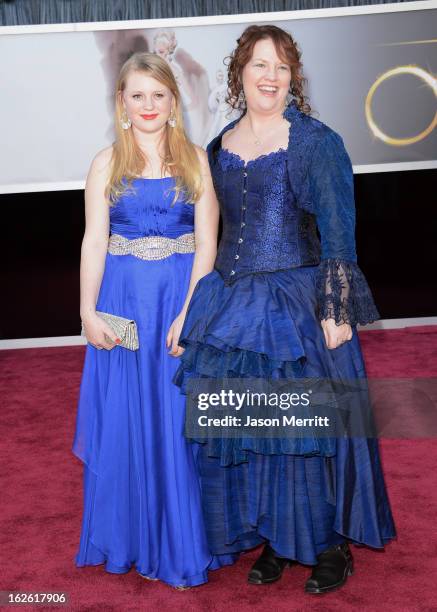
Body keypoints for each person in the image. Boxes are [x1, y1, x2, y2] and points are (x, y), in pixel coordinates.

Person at [173, 25, 396, 594]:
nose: (270, 76)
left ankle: (327, 545)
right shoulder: (221, 145)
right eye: (259, 65)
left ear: (293, 77)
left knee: (306, 431)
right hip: (236, 306)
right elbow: (219, 235)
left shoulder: (316, 142)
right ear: (239, 74)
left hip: (297, 305)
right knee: (252, 428)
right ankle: (274, 536)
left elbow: (338, 230)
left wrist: (337, 309)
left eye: (281, 67)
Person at [72, 51, 235, 589]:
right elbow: (95, 240)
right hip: (122, 306)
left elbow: (207, 242)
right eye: (137, 95)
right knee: (125, 419)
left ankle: (183, 539)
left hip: (177, 302)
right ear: (122, 102)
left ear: (173, 102)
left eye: (158, 95)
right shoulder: (104, 163)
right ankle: (132, 537)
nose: (148, 105)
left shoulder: (194, 159)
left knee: (175, 417)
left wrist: (191, 312)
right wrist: (86, 311)